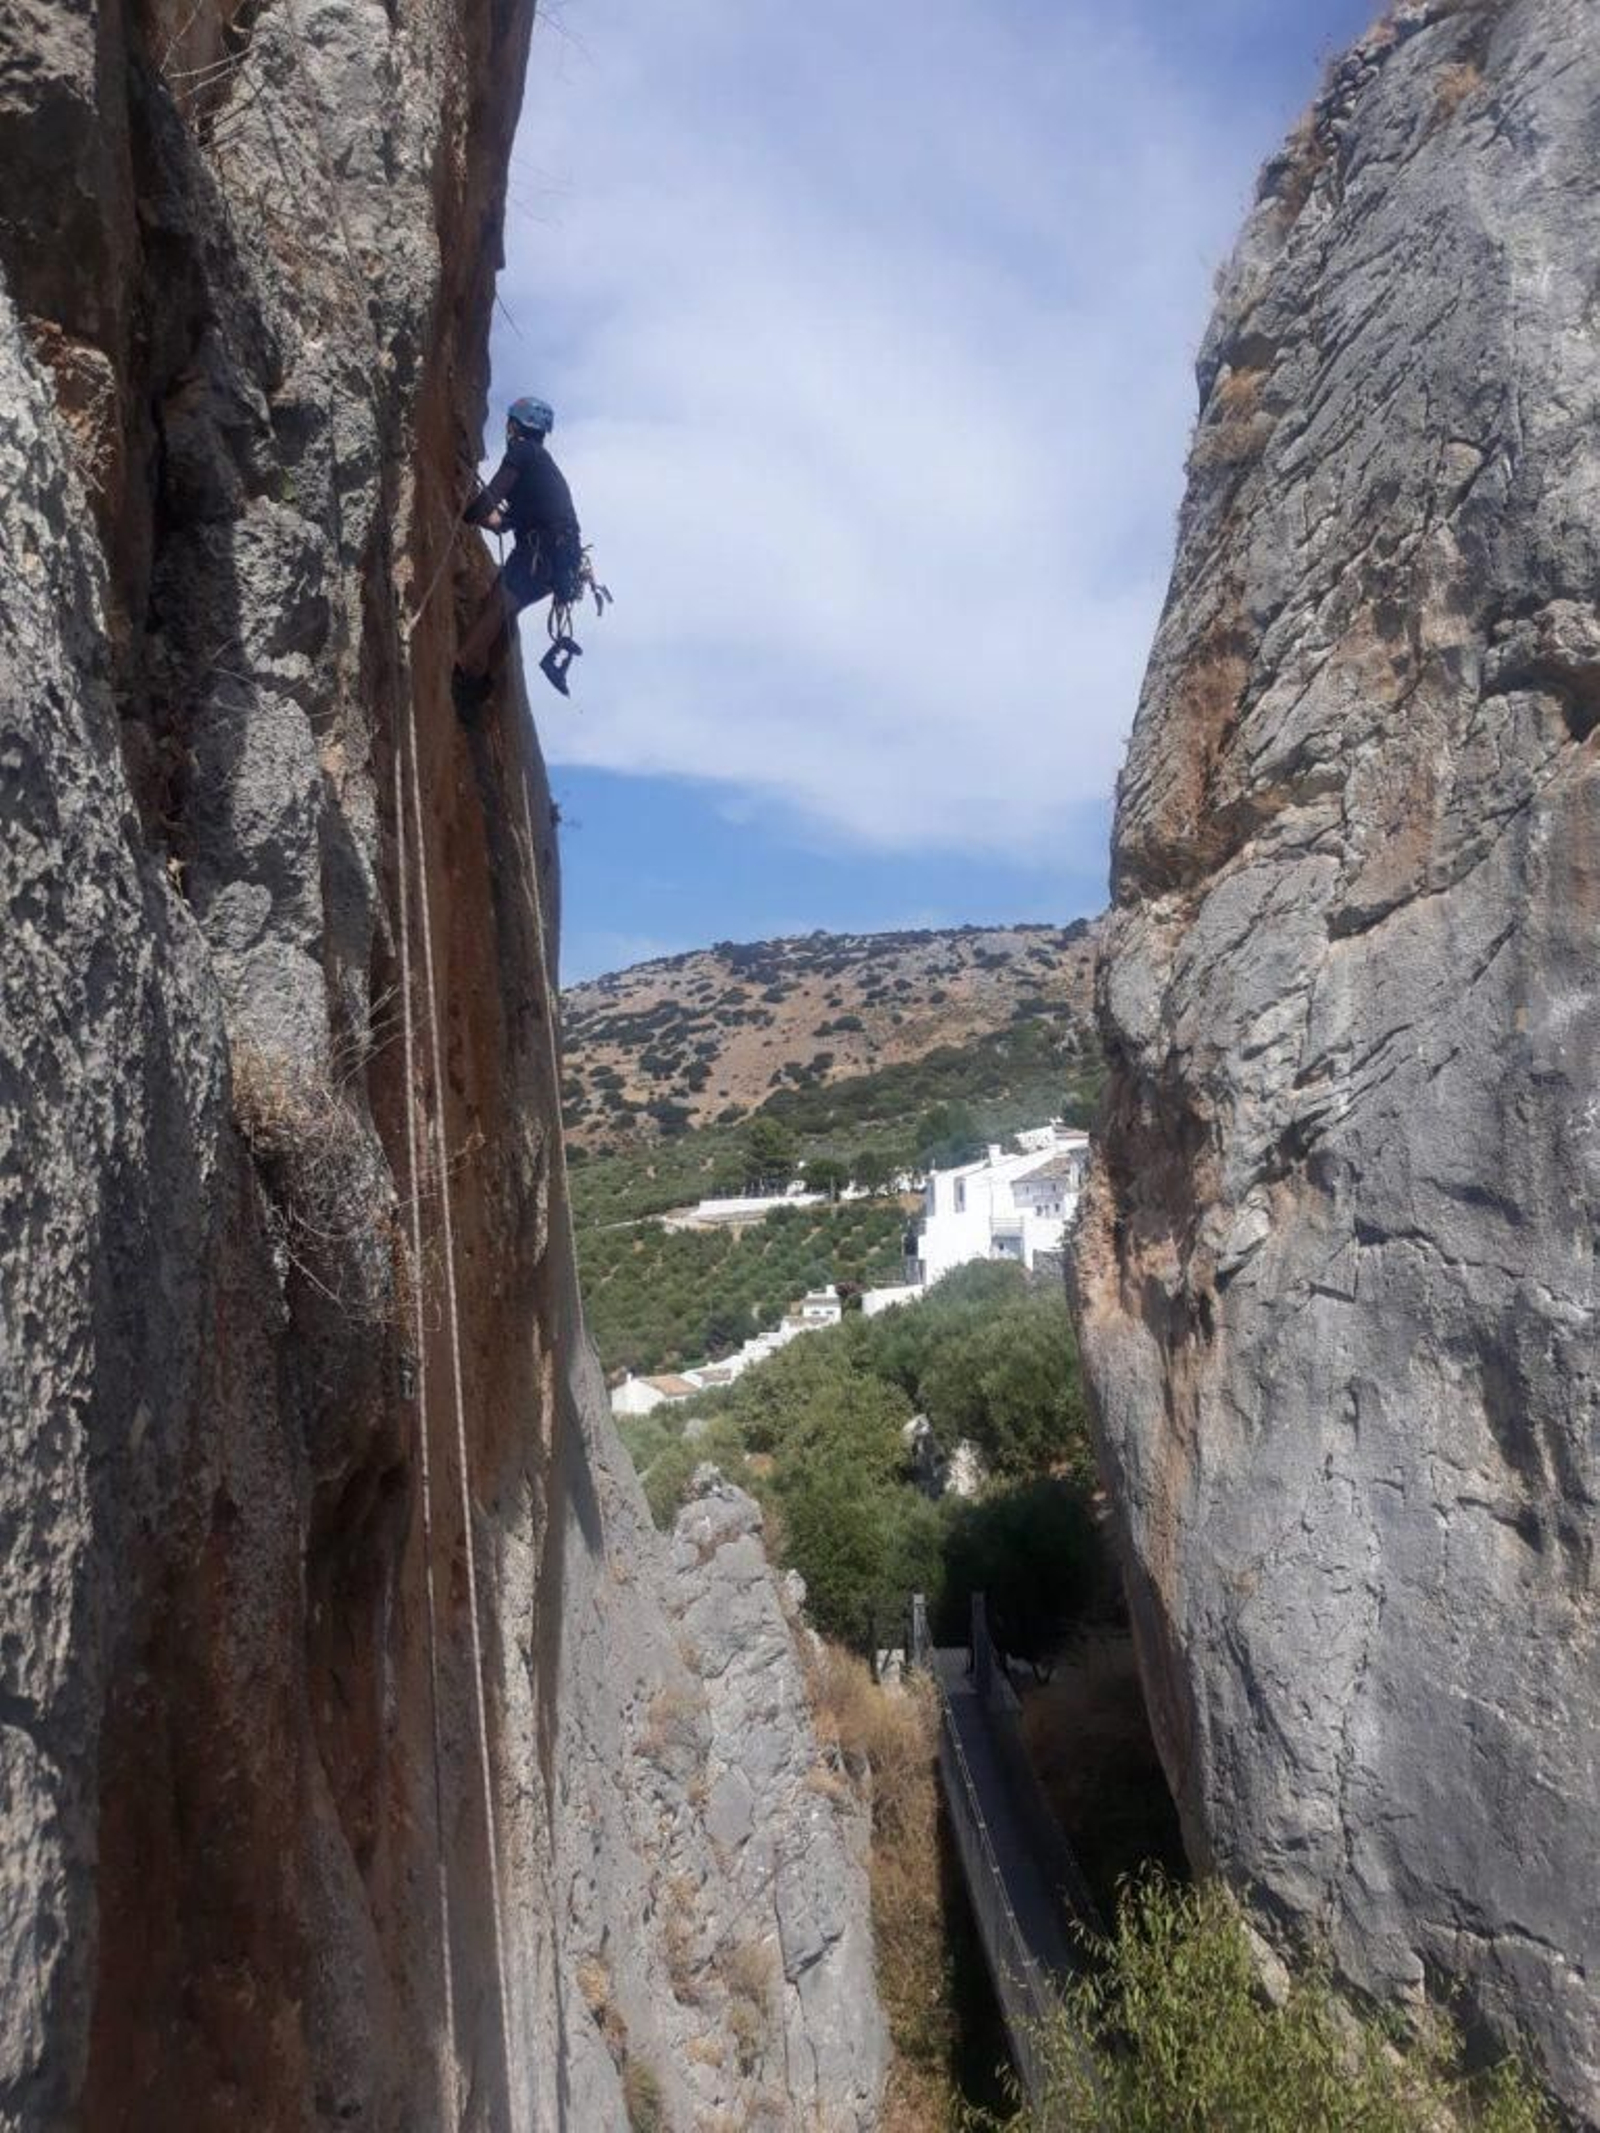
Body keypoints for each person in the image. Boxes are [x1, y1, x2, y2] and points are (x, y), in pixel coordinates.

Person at [452, 396, 583, 713]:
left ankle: (463, 669)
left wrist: (466, 509)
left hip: (541, 554)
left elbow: (489, 502)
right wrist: (485, 516)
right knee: (507, 610)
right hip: (559, 562)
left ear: (515, 425)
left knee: (498, 607)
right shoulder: (543, 466)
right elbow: (500, 522)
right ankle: (483, 682)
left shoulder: (523, 453)